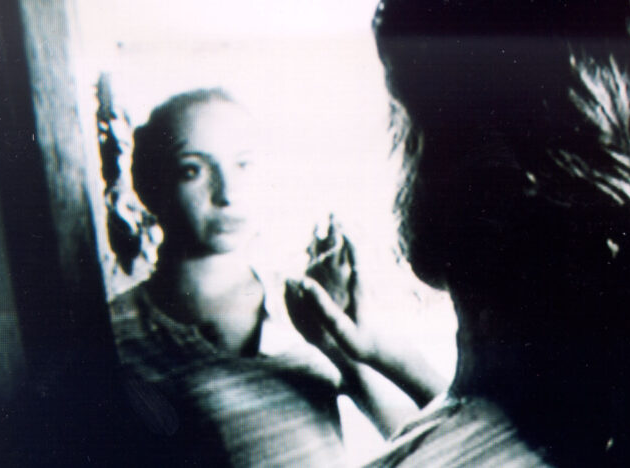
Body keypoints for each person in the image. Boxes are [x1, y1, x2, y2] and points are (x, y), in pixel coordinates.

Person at [297, 1, 630, 466]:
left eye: (403, 124)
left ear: (461, 167)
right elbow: (468, 437)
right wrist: (368, 357)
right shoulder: (588, 408)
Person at [108, 88, 444, 466]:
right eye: (193, 170)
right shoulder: (115, 334)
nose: (227, 193)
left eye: (243, 165)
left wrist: (353, 347)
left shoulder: (305, 304)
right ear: (149, 186)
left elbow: (427, 440)